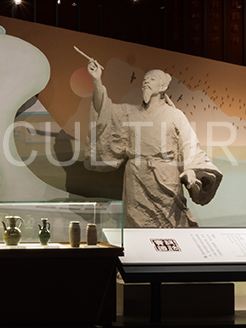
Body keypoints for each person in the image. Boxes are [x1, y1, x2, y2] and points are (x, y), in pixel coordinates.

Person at [87, 61, 222, 227]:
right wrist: (97, 80)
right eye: (144, 80)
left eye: (151, 79)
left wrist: (190, 170)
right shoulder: (130, 113)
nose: (145, 82)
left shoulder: (175, 115)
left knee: (170, 225)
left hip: (166, 177)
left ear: (163, 86)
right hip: (136, 178)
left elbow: (189, 144)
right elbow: (104, 110)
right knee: (137, 225)